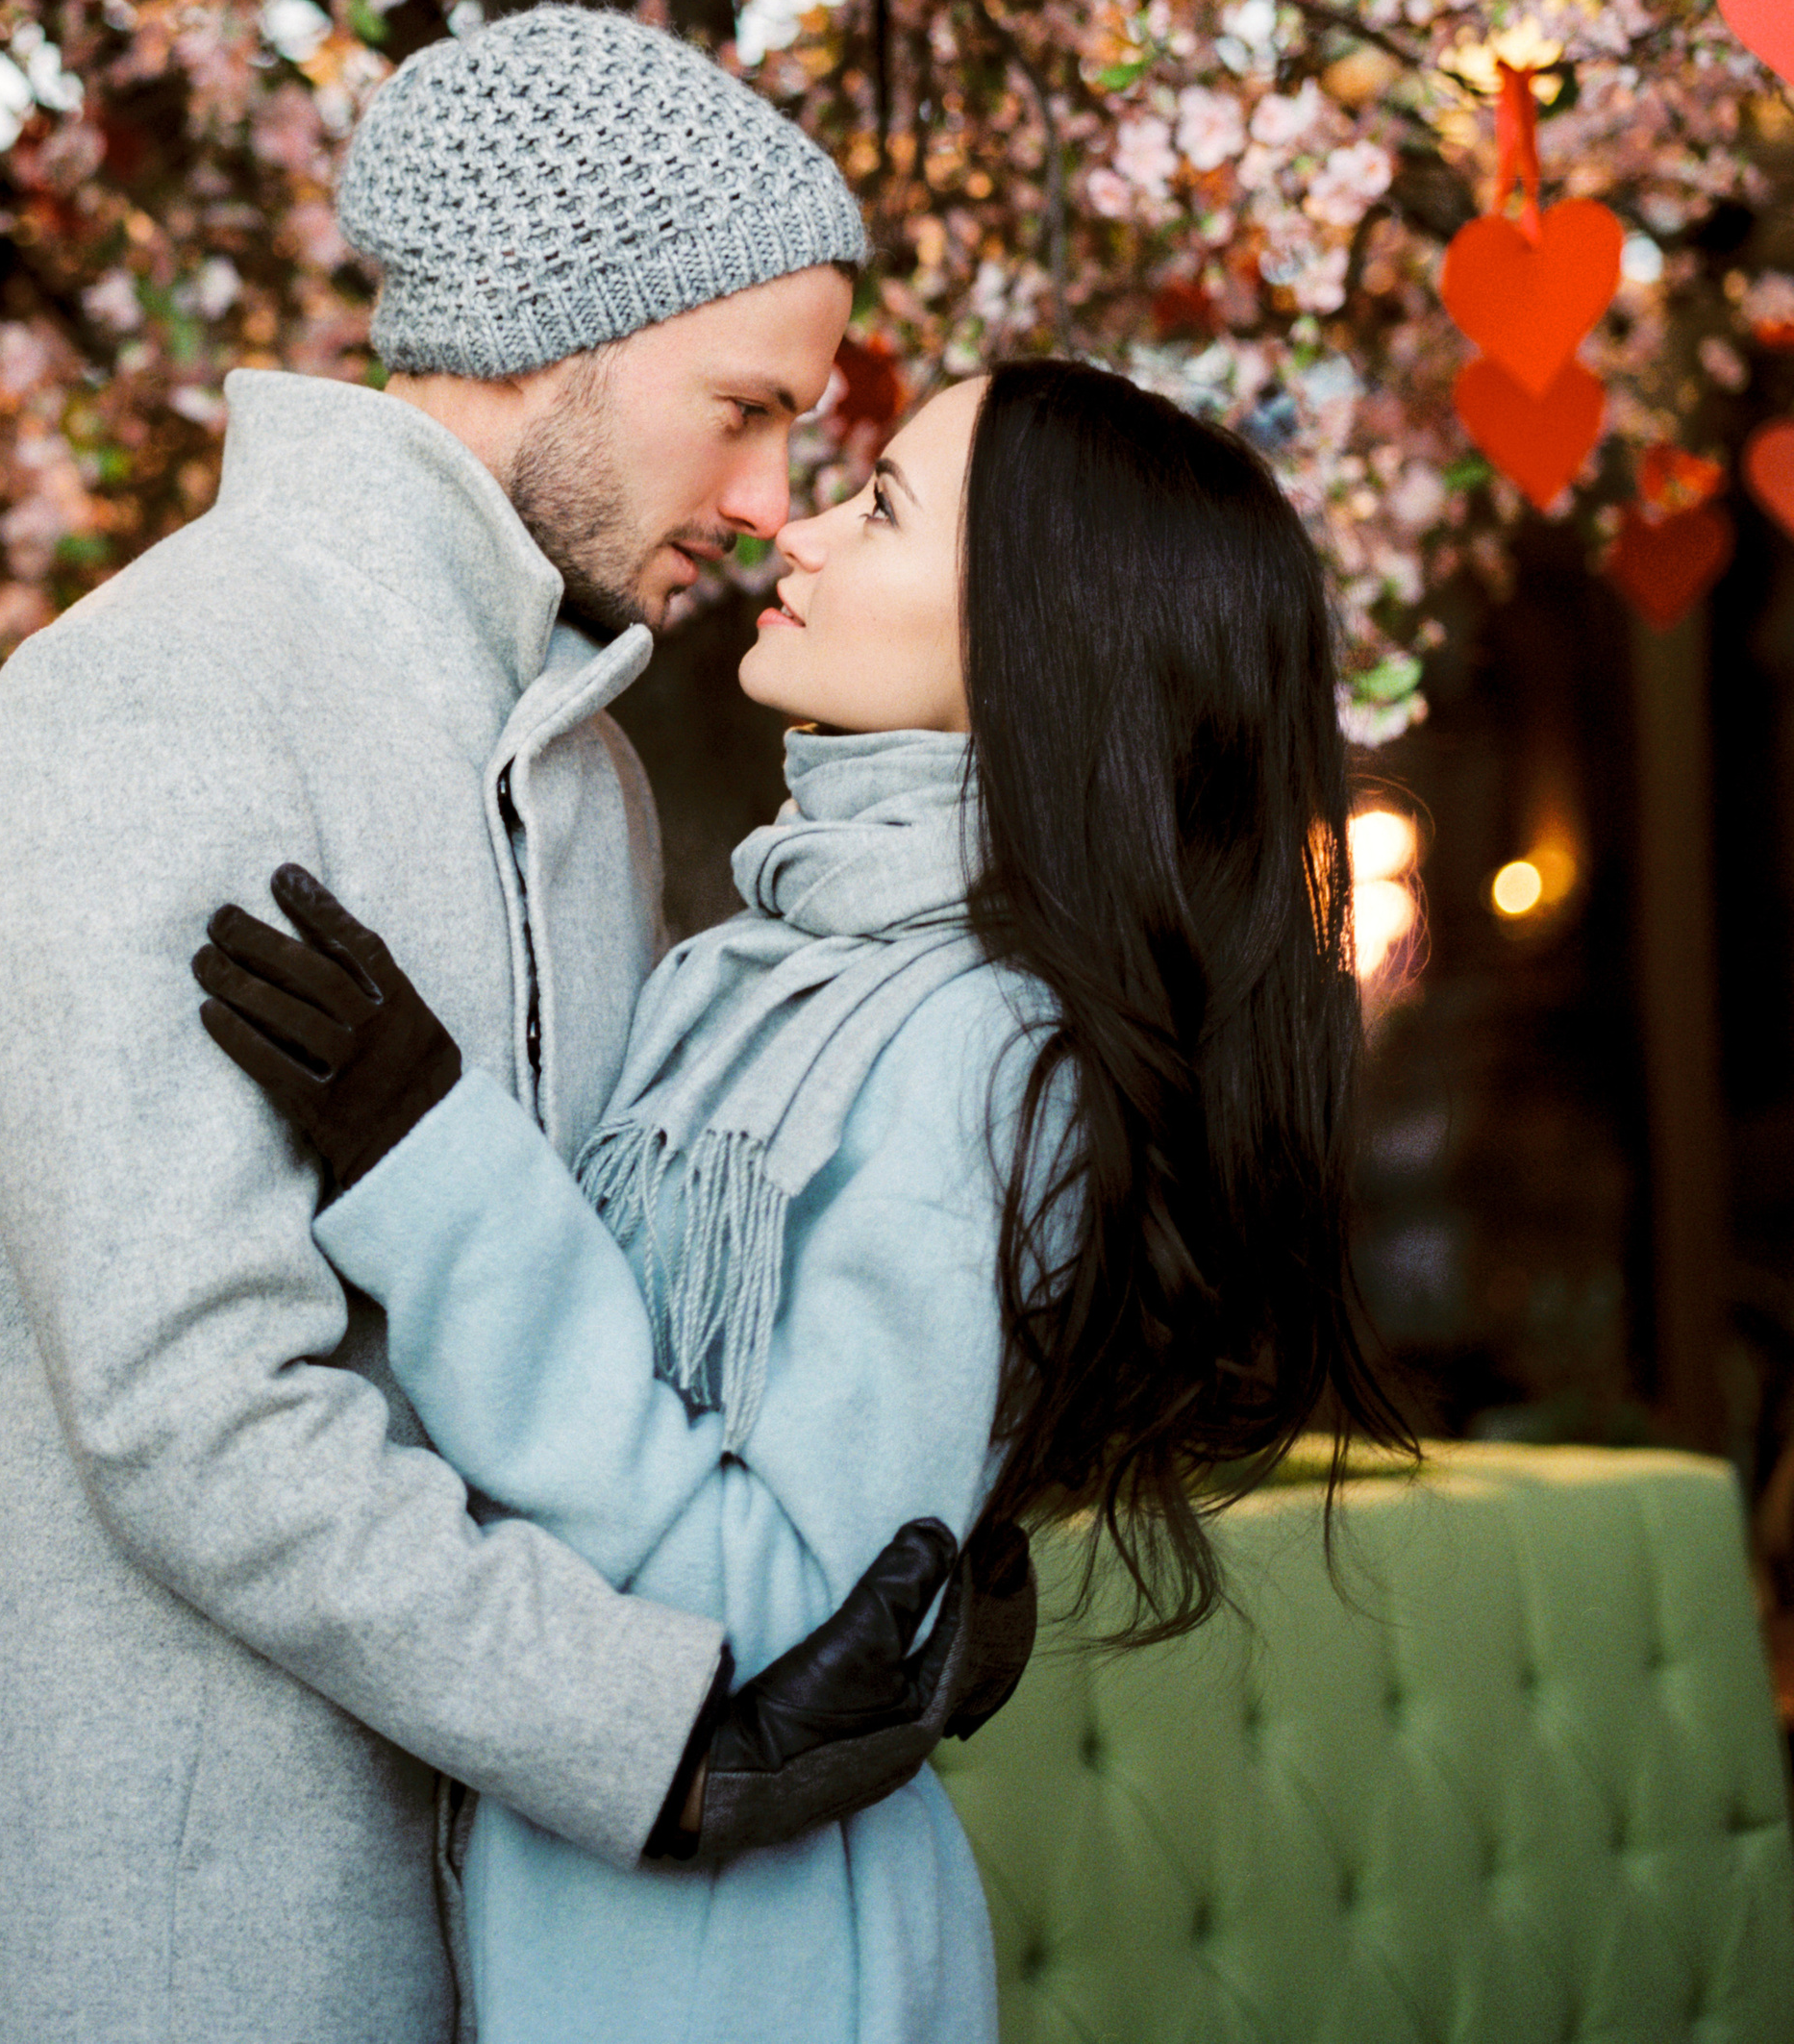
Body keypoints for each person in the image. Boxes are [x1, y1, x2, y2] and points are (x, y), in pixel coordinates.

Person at [0, 5, 1023, 2044]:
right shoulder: (149, 698)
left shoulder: (593, 780)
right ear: (547, 334)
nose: (767, 498)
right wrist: (660, 1737)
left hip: (530, 1955)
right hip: (177, 1959)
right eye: (742, 407)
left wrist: (894, 1532)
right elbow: (194, 1411)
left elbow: (612, 1331)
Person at [197, 355, 1419, 2044]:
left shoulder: (992, 1052)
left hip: (740, 1971)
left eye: (884, 503)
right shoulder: (754, 959)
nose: (801, 525)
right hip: (563, 1913)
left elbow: (766, 1603)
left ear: (1029, 638)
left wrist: (429, 1158)